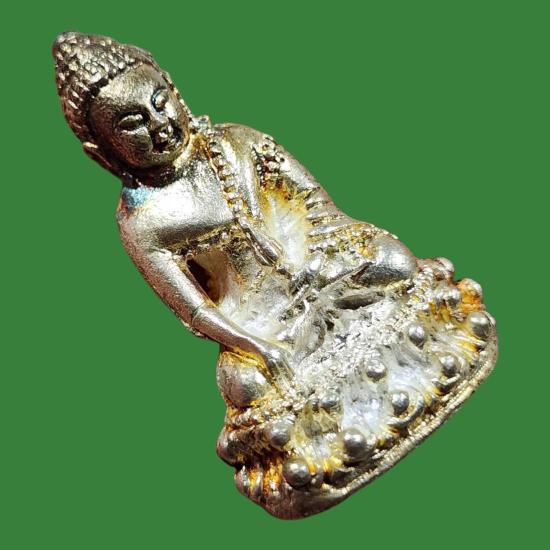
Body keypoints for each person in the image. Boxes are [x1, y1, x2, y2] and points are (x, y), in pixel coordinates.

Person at [53, 32, 496, 519]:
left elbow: (315, 204)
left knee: (394, 262)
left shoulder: (234, 141)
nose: (160, 125)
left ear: (175, 91)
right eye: (133, 123)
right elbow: (196, 309)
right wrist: (257, 345)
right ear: (101, 150)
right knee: (244, 382)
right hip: (259, 318)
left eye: (161, 102)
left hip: (320, 265)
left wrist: (319, 261)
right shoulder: (144, 222)